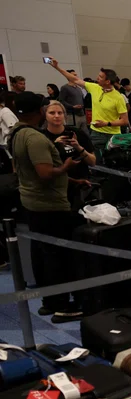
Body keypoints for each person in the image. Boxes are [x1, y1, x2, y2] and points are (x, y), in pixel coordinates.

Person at [10, 92, 82, 321]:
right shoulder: (36, 138)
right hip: (49, 204)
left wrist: (72, 181)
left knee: (42, 253)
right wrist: (66, 168)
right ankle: (62, 305)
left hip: (32, 201)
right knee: (57, 256)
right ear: (40, 111)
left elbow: (28, 171)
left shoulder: (16, 133)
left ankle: (49, 301)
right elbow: (44, 173)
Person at [47, 59, 128, 158]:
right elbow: (75, 79)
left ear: (108, 81)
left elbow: (124, 121)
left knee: (113, 161)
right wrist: (57, 67)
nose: (97, 78)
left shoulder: (118, 97)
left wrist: (107, 123)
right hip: (96, 133)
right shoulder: (94, 87)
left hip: (113, 134)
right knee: (97, 161)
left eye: (100, 77)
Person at [42, 101, 96, 210]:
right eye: (52, 113)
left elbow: (92, 162)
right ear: (45, 115)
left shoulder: (77, 133)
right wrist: (54, 145)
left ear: (64, 115)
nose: (56, 116)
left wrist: (78, 147)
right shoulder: (42, 137)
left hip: (81, 184)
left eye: (60, 113)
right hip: (56, 186)